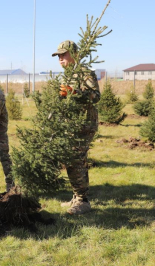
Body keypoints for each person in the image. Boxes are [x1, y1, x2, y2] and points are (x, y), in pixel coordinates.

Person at [52, 40, 100, 215]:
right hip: (71, 124)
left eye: (63, 55)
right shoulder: (67, 75)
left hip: (84, 124)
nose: (60, 59)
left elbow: (95, 96)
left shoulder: (84, 72)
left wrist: (74, 92)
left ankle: (82, 201)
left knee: (75, 160)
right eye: (58, 56)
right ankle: (76, 196)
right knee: (75, 160)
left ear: (73, 54)